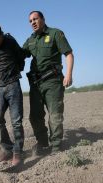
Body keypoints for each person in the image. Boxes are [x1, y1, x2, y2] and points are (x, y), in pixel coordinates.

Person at [23, 11, 74, 155]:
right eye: (30, 21)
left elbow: (68, 54)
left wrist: (69, 74)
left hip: (53, 81)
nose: (32, 22)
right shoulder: (31, 39)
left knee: (55, 115)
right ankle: (43, 142)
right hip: (36, 83)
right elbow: (19, 54)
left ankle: (56, 146)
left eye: (35, 19)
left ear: (43, 19)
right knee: (35, 116)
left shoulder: (55, 34)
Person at [0, 23, 25, 166]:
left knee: (16, 121)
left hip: (13, 85)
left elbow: (21, 58)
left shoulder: (11, 41)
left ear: (1, 34)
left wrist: (14, 71)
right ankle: (7, 149)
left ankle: (18, 152)